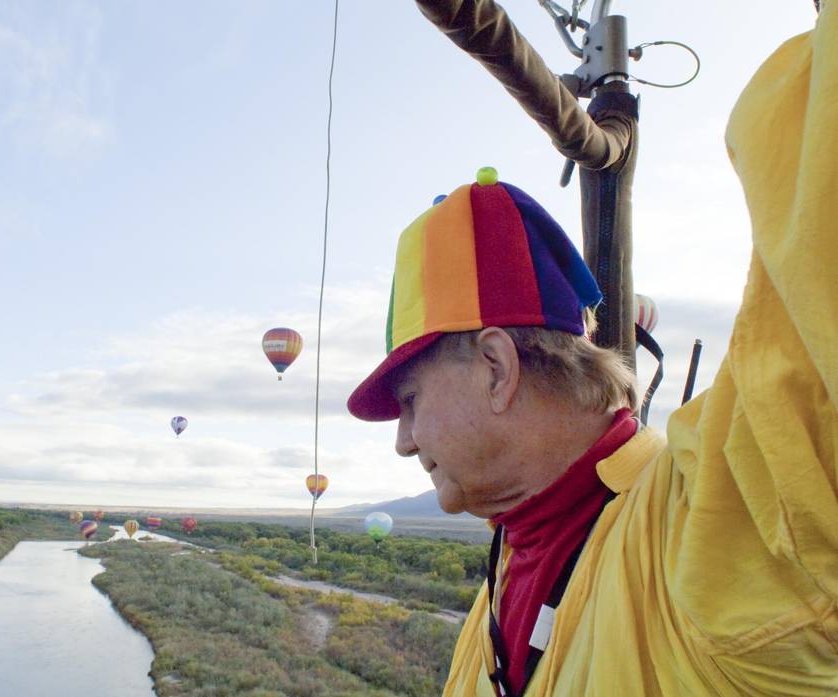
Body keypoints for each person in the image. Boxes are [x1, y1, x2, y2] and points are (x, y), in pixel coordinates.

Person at [346, 4, 837, 695]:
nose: (402, 439)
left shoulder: (709, 537)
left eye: (409, 400)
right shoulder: (501, 577)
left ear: (496, 366)